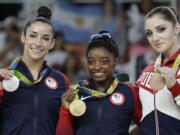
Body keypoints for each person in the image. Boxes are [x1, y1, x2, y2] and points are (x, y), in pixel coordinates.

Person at [0, 6, 70, 135]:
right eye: (33, 36)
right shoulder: (5, 77)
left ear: (52, 44)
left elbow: (65, 129)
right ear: (23, 37)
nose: (38, 43)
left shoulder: (61, 81)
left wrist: (66, 110)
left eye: (45, 38)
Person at [56, 31, 142, 135]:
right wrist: (65, 109)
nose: (97, 67)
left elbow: (147, 125)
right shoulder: (76, 93)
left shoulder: (129, 92)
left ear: (116, 61)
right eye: (91, 61)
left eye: (104, 61)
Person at [136, 6, 180, 135]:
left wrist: (175, 88)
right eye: (149, 33)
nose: (155, 38)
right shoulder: (147, 71)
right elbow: (143, 120)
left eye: (161, 29)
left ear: (176, 28)